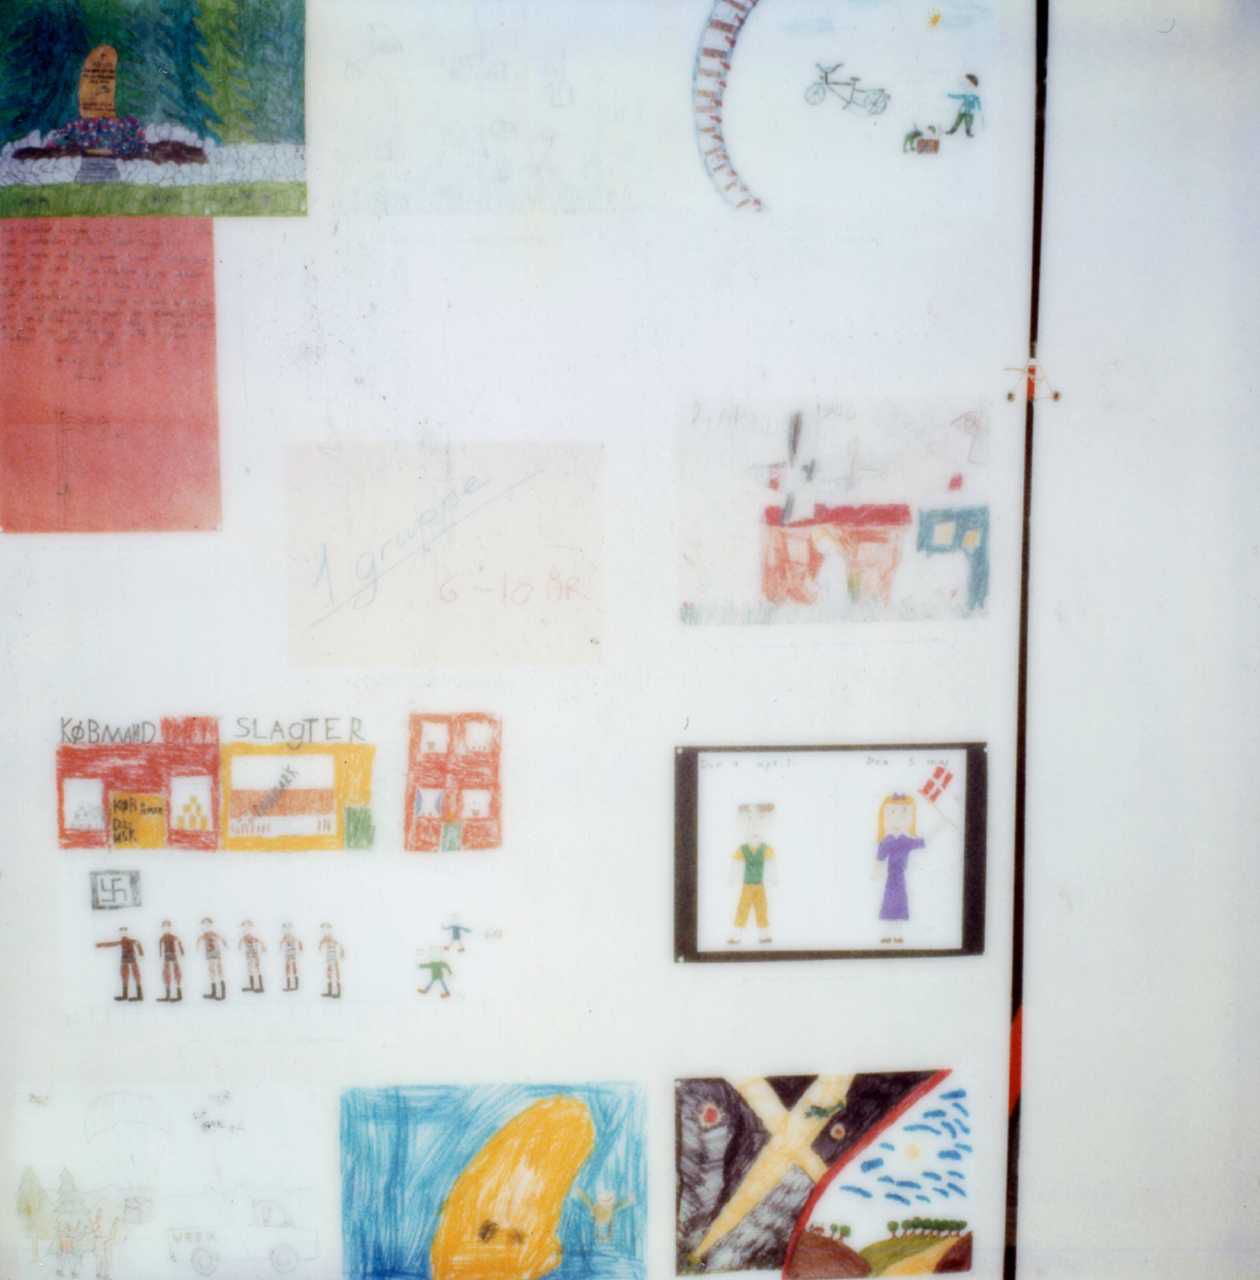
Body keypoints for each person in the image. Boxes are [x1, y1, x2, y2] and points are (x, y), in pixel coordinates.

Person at [874, 793, 929, 942]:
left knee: (899, 904)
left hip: (900, 877)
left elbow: (923, 841)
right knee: (889, 902)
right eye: (892, 813)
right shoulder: (887, 840)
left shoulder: (906, 841)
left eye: (903, 813)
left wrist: (940, 827)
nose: (897, 819)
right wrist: (876, 870)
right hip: (891, 878)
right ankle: (888, 935)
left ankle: (897, 936)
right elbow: (879, 858)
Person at [727, 803, 776, 945]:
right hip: (747, 886)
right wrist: (733, 878)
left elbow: (771, 865)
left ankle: (764, 936)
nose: (755, 831)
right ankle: (736, 936)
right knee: (742, 909)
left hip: (760, 886)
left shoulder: (766, 849)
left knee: (762, 910)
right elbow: (736, 865)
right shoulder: (743, 849)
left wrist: (773, 878)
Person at [95, 926, 143, 1001]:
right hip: (124, 959)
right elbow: (111, 944)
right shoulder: (122, 942)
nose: (123, 934)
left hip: (131, 959)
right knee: (124, 975)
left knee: (135, 974)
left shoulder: (131, 941)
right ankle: (125, 995)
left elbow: (138, 944)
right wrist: (101, 944)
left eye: (124, 932)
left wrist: (141, 953)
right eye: (121, 932)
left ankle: (139, 995)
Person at [197, 917, 229, 1001]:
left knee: (219, 970)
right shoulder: (204, 935)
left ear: (211, 925)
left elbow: (222, 939)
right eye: (204, 924)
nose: (206, 926)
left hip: (216, 953)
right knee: (211, 971)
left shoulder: (214, 933)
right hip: (209, 954)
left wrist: (225, 944)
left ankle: (223, 992)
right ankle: (214, 992)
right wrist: (197, 946)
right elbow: (199, 940)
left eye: (208, 924)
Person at [156, 919, 184, 1003]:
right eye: (164, 927)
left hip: (173, 955)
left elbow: (179, 944)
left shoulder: (173, 937)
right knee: (166, 974)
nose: (166, 929)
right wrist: (160, 955)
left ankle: (179, 994)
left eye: (167, 927)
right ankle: (168, 995)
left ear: (170, 927)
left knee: (176, 973)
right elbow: (160, 947)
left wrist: (181, 952)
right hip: (166, 956)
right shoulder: (162, 938)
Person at [238, 920, 266, 993]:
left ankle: (260, 986)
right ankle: (252, 986)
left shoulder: (253, 937)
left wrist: (263, 947)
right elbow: (240, 943)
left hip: (254, 955)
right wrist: (240, 946)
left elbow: (260, 942)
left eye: (248, 927)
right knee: (250, 970)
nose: (246, 929)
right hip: (248, 956)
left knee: (256, 969)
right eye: (245, 927)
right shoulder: (244, 937)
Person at [318, 923, 343, 999]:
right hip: (329, 957)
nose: (325, 932)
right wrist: (321, 943)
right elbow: (321, 945)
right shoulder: (326, 938)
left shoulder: (330, 937)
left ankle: (338, 992)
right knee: (329, 974)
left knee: (335, 973)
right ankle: (330, 991)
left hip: (333, 957)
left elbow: (336, 943)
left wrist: (341, 951)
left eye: (326, 929)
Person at [280, 922, 303, 991]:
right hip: (288, 954)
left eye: (288, 928)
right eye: (285, 929)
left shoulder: (292, 936)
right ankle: (289, 986)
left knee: (293, 968)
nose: (286, 930)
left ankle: (295, 985)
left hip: (292, 953)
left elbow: (298, 941)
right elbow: (282, 943)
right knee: (288, 969)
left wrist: (300, 947)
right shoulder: (285, 936)